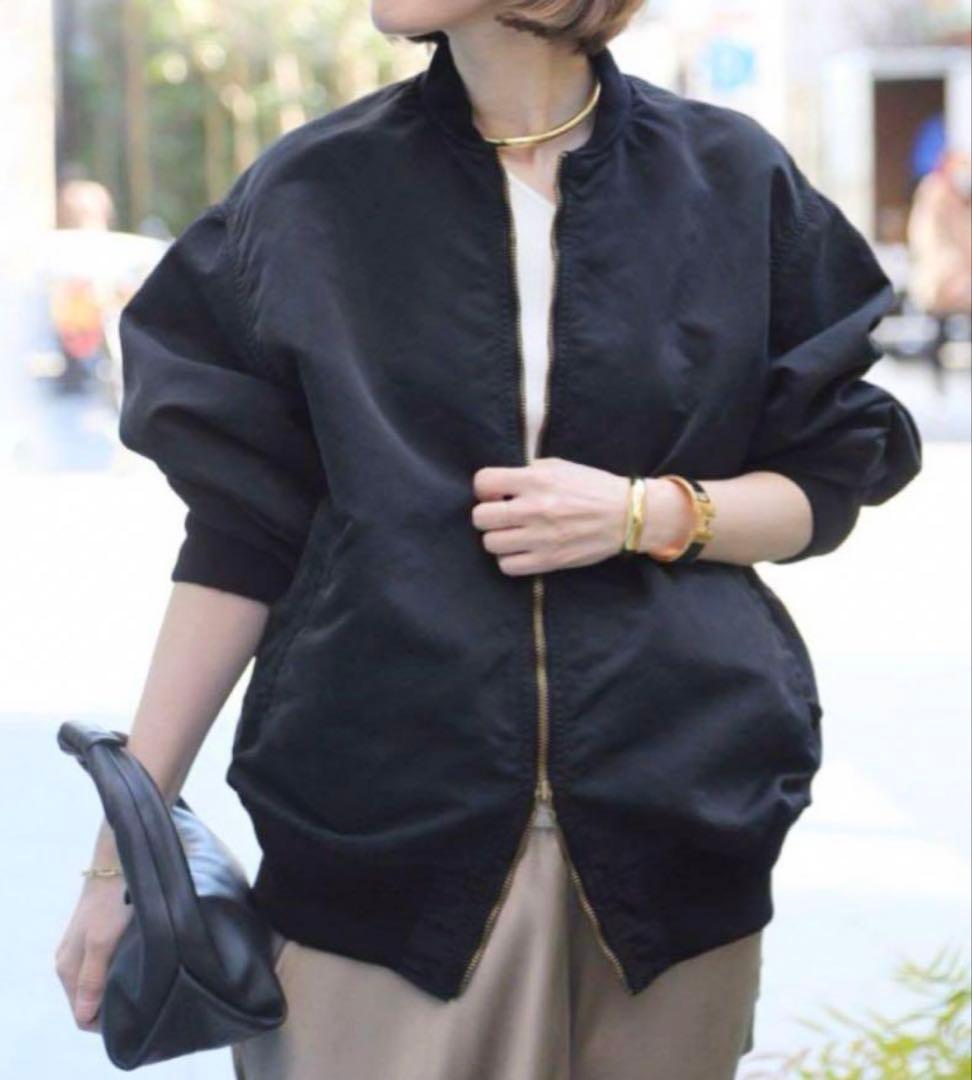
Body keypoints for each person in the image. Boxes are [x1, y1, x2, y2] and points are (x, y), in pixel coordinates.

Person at [54, 4, 924, 1078]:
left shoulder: (731, 180)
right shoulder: (312, 196)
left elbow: (828, 478)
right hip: (379, 859)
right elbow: (239, 539)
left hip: (673, 848)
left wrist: (641, 513)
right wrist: (123, 857)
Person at [907, 146, 972, 380]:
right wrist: (946, 263)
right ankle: (935, 377)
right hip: (941, 271)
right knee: (939, 325)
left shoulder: (963, 198)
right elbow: (926, 234)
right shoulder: (934, 191)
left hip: (961, 272)